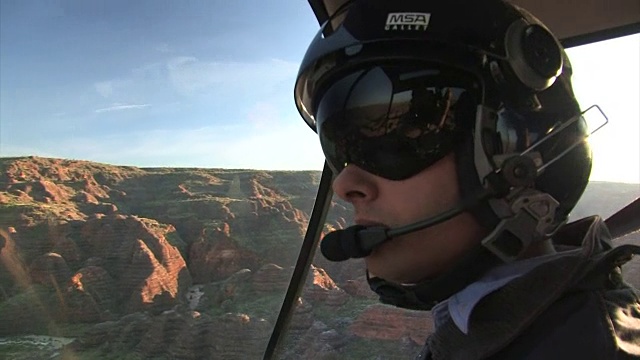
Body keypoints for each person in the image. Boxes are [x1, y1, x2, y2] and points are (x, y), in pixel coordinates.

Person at [293, 0, 640, 358]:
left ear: (518, 151)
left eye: (390, 142)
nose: (344, 184)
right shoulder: (510, 328)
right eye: (339, 148)